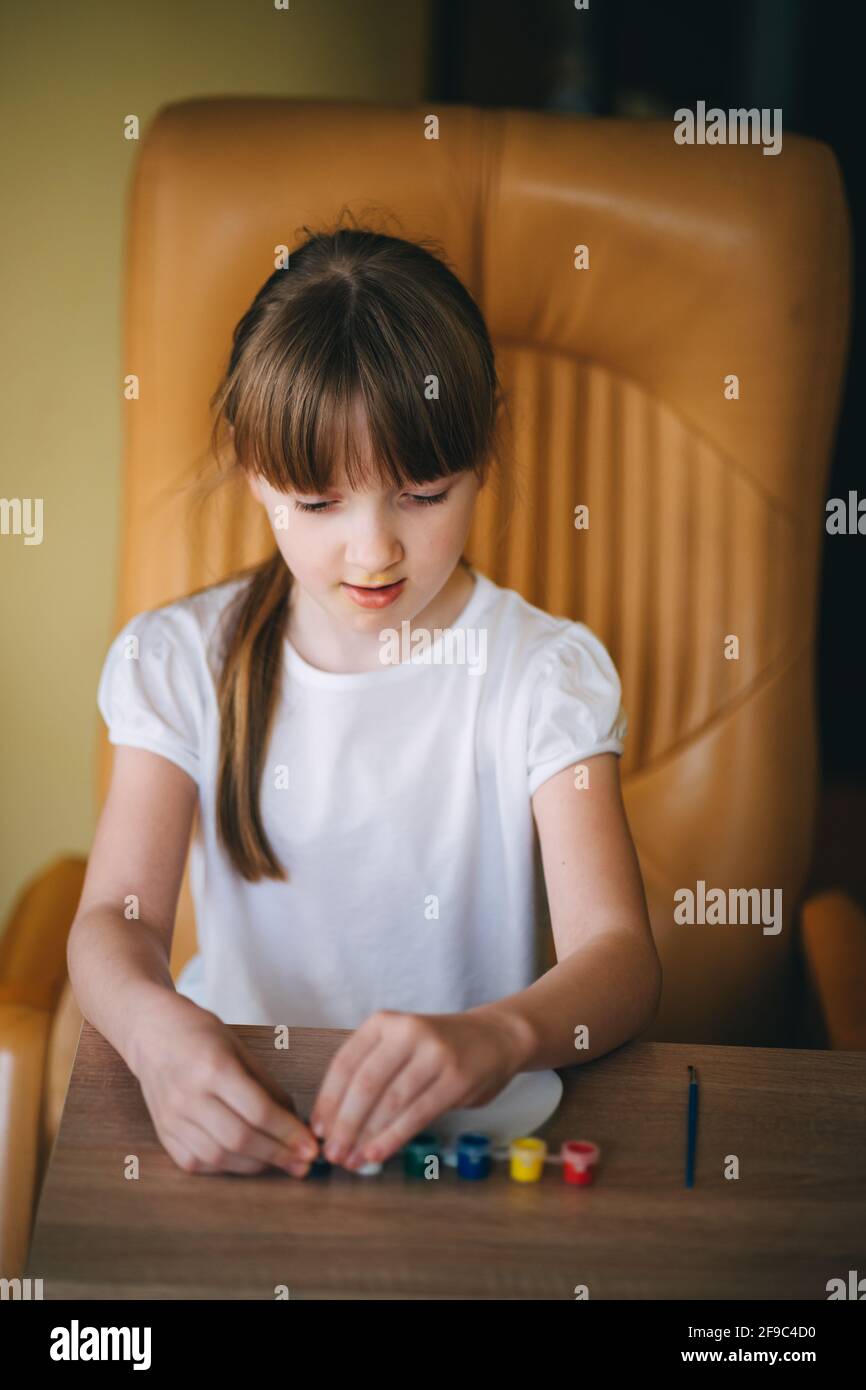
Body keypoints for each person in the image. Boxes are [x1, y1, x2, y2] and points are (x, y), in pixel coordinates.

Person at [68, 221, 661, 1182]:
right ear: (254, 468)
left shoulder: (540, 673)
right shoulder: (179, 661)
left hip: (469, 1136)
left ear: (484, 452)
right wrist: (152, 1033)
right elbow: (115, 921)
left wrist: (499, 1035)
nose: (374, 550)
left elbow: (621, 958)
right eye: (319, 503)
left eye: (424, 494)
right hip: (249, 1122)